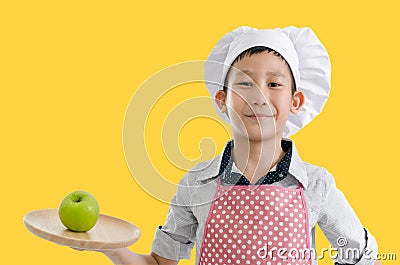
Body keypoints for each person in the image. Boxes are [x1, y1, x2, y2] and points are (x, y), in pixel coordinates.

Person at [95, 26, 382, 265]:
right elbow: (160, 263)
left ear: (295, 102)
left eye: (274, 84)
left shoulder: (317, 186)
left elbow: (362, 257)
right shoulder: (196, 184)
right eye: (244, 84)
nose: (258, 96)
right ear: (222, 100)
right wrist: (108, 246)